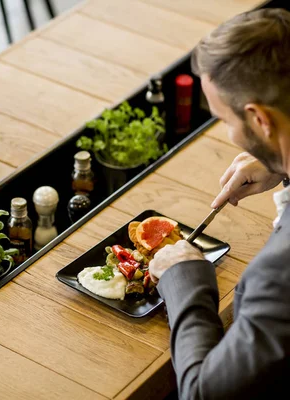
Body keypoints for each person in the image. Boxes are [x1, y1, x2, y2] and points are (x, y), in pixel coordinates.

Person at [147, 8, 290, 399]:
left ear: (261, 120)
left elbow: (201, 392)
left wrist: (186, 280)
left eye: (225, 120)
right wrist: (280, 159)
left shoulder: (281, 271)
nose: (229, 134)